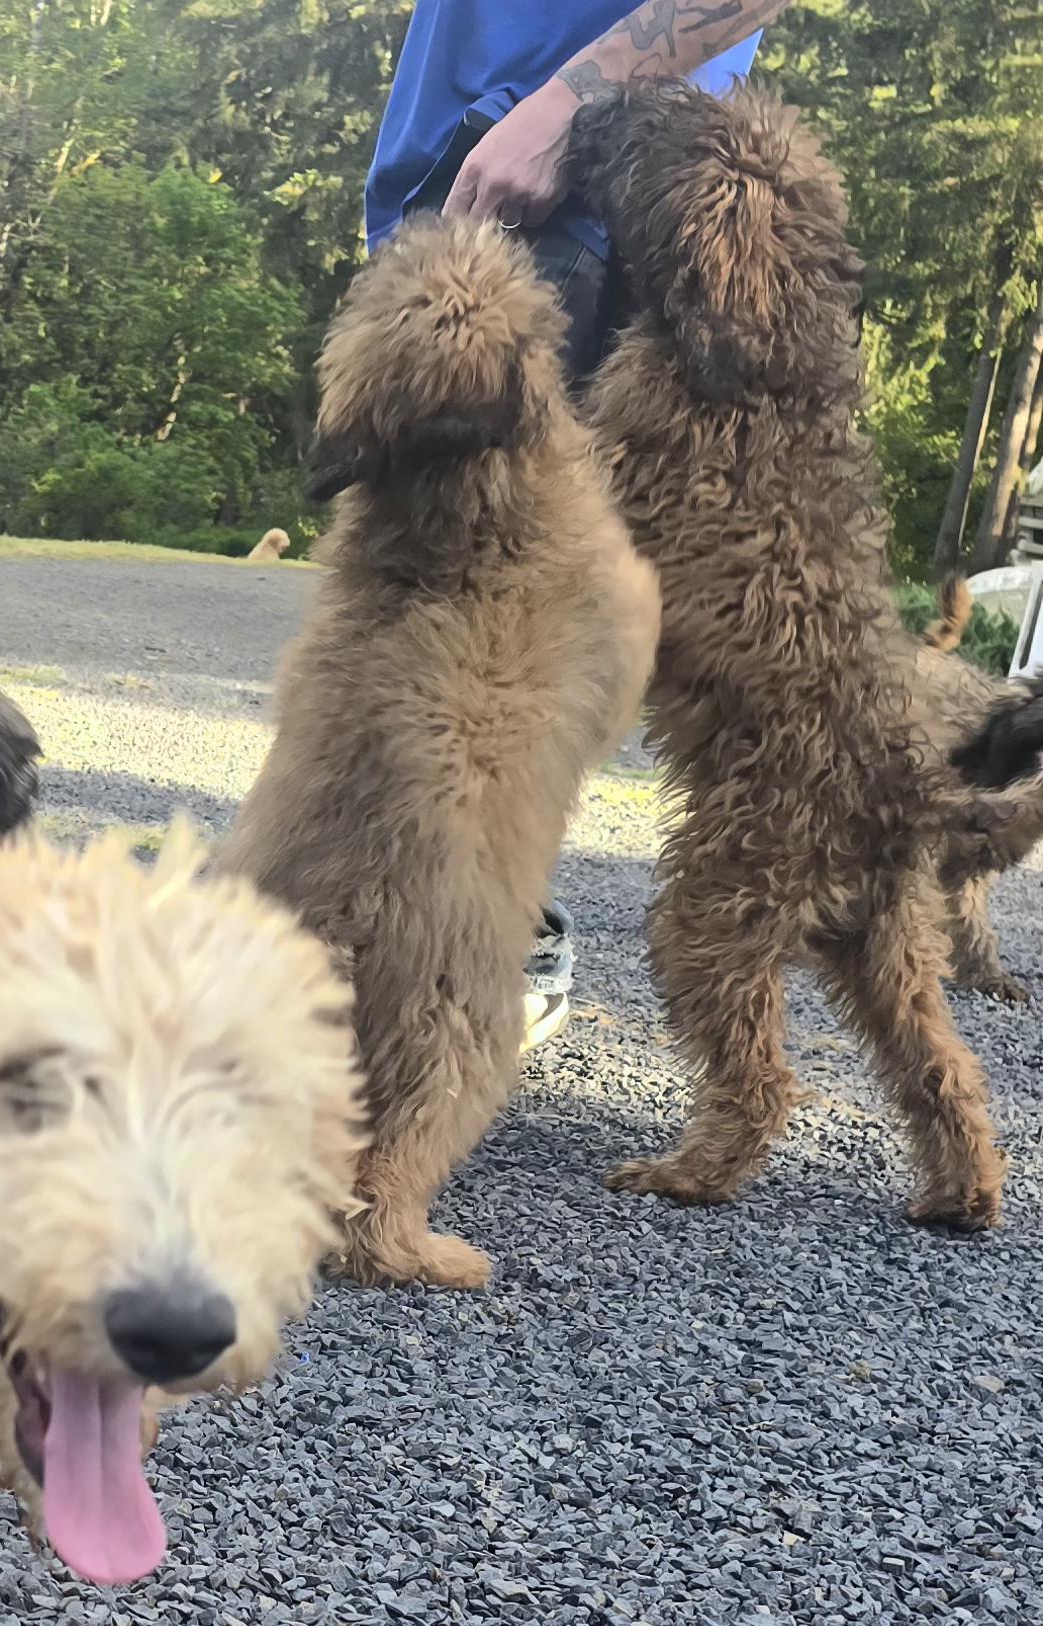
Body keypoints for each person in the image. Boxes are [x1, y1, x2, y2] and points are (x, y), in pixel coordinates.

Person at [364, 1, 790, 1044]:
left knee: (493, 628)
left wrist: (562, 105)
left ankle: (469, 962)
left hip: (577, 183)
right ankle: (402, 950)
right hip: (448, 175)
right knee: (399, 613)